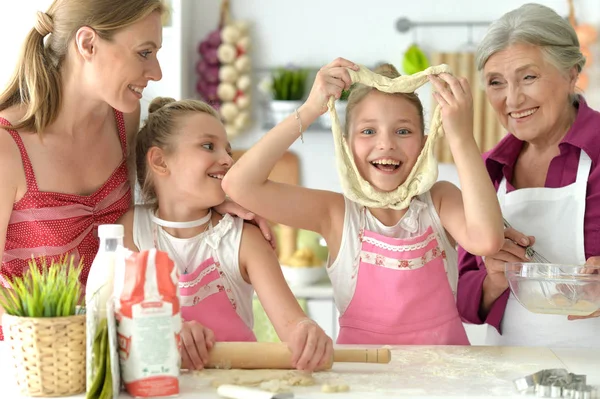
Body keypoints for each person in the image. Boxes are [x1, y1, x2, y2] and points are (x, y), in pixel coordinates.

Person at [0, 0, 271, 341]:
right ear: (88, 44)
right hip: (35, 366)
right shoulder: (7, 148)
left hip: (119, 355)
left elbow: (153, 202)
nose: (156, 72)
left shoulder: (121, 118)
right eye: (144, 53)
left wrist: (212, 203)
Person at [222, 58, 505, 345]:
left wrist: (461, 138)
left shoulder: (440, 200)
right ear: (346, 144)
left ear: (425, 142)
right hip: (363, 382)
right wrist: (310, 110)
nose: (386, 144)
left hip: (443, 384)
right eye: (368, 131)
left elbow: (487, 240)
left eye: (403, 131)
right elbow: (238, 185)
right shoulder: (336, 214)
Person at [118, 97, 333, 371]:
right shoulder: (130, 231)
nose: (228, 159)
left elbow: (293, 325)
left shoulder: (244, 238)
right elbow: (121, 318)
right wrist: (166, 328)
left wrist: (308, 334)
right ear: (160, 161)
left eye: (228, 150)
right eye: (209, 146)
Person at [456, 3, 600, 347]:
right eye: (496, 82)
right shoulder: (486, 170)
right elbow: (461, 300)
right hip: (509, 378)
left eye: (528, 77)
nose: (512, 99)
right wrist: (493, 280)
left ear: (571, 73)